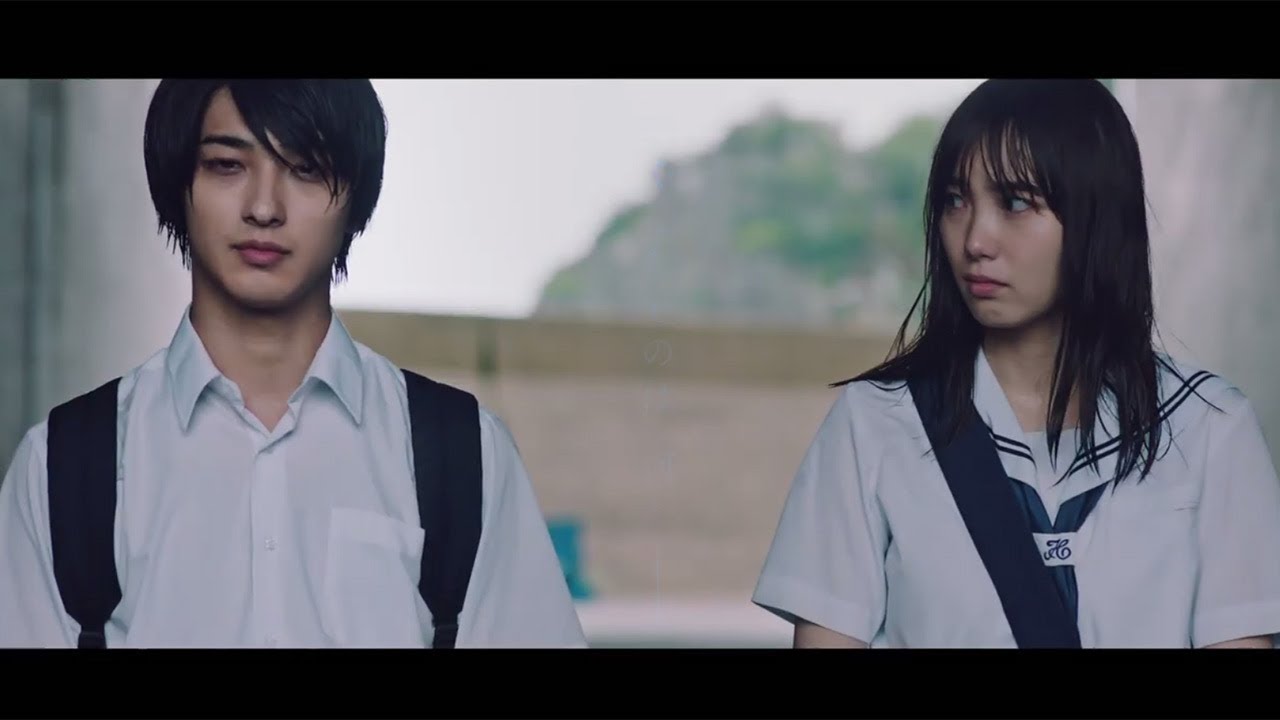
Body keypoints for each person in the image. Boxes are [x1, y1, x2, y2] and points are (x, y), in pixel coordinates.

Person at [0, 79, 587, 648]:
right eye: (227, 165)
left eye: (306, 169)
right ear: (178, 181)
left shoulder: (462, 454)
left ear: (355, 194)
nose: (264, 207)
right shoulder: (62, 465)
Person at [752, 79, 1280, 648]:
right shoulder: (876, 424)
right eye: (955, 200)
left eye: (1016, 202)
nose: (975, 240)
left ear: (1097, 216)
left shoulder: (1207, 428)